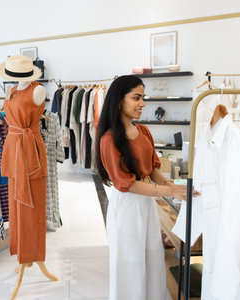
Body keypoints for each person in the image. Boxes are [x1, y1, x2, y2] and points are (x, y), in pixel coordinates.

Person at [95, 75, 199, 300]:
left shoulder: (143, 132)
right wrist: (170, 191)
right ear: (119, 100)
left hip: (146, 205)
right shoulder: (109, 139)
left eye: (143, 97)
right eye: (136, 97)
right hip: (127, 208)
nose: (142, 103)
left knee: (152, 258)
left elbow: (152, 169)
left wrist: (172, 185)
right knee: (130, 264)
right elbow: (127, 185)